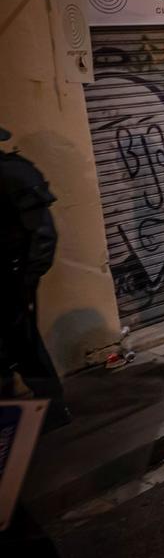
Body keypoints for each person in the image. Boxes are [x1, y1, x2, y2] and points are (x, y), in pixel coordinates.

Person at [0, 126, 70, 428]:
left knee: (25, 346)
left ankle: (53, 412)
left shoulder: (14, 173)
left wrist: (27, 279)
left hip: (10, 277)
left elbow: (43, 233)